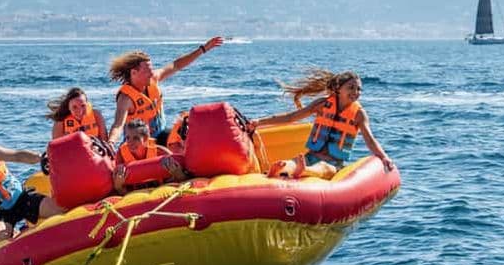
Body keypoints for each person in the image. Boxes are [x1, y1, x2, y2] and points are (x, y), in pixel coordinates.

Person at [250, 69, 395, 179]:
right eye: (351, 87)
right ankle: (282, 169)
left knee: (323, 168)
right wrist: (259, 122)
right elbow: (291, 117)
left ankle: (304, 171)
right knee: (288, 164)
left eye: (358, 89)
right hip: (309, 156)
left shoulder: (359, 114)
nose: (356, 92)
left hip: (333, 163)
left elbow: (369, 139)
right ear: (338, 89)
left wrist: (384, 157)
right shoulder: (322, 104)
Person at [107, 36, 224, 145]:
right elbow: (117, 125)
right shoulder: (125, 99)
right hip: (139, 143)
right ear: (134, 73)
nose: (152, 73)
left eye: (151, 69)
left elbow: (176, 65)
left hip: (161, 136)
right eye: (147, 70)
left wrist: (203, 49)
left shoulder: (153, 79)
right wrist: (111, 143)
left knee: (185, 134)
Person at [113, 119, 188, 193]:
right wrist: (118, 186)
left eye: (136, 138)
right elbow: (120, 192)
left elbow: (184, 180)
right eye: (127, 138)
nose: (130, 142)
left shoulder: (161, 152)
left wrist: (179, 175)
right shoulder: (121, 156)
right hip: (136, 197)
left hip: (162, 193)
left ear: (145, 139)